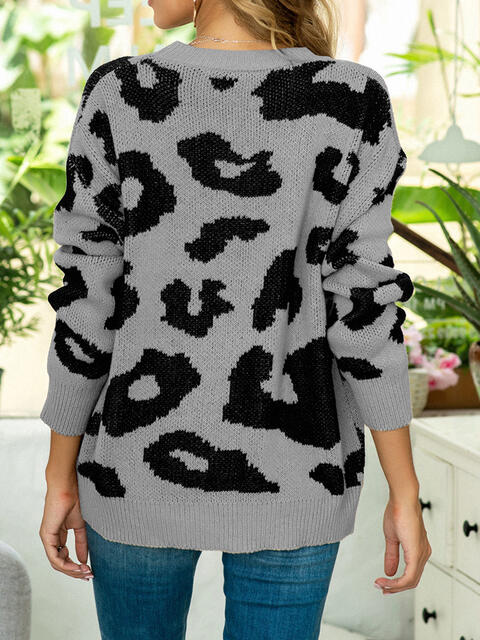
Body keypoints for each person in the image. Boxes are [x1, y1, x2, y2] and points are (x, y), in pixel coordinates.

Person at [38, 0, 431, 638]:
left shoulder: (120, 93)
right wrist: (404, 490)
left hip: (131, 469)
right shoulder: (351, 99)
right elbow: (363, 309)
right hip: (299, 472)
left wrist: (60, 475)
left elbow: (88, 301)